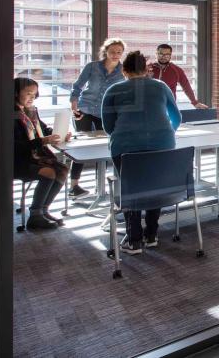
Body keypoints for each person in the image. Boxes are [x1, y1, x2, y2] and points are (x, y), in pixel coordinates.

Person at [101, 50, 182, 254]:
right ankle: (152, 234)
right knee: (154, 187)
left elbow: (108, 126)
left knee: (131, 190)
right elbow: (177, 118)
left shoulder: (113, 90)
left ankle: (134, 239)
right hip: (162, 145)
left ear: (124, 70)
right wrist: (162, 134)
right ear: (147, 70)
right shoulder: (161, 87)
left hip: (126, 147)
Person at [68, 38, 125, 198]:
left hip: (106, 113)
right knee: (81, 146)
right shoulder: (92, 67)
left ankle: (99, 186)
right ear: (105, 51)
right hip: (85, 109)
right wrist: (74, 105)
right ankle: (74, 185)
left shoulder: (123, 71)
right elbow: (77, 86)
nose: (115, 55)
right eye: (112, 51)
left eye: (119, 52)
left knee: (104, 146)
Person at [14, 77, 72, 229]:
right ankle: (35, 216)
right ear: (15, 93)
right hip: (18, 161)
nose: (32, 97)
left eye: (34, 93)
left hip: (33, 158)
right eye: (28, 93)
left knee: (62, 170)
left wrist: (59, 134)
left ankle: (43, 210)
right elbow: (16, 146)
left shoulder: (31, 111)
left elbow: (44, 130)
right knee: (49, 173)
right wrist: (43, 141)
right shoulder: (11, 115)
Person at [148, 43, 208, 109]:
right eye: (161, 54)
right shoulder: (148, 68)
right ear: (156, 54)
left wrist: (195, 103)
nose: (164, 56)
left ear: (170, 56)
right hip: (150, 105)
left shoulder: (176, 70)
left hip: (169, 106)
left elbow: (186, 86)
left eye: (167, 54)